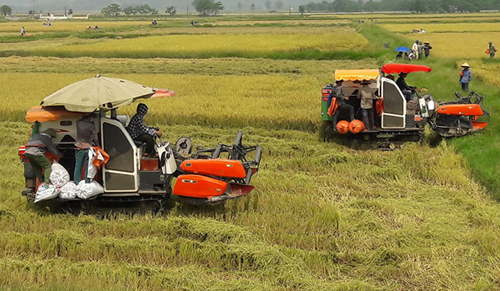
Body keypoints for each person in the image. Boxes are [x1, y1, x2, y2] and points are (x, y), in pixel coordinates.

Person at [74, 113, 100, 184]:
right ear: (90, 117)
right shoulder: (91, 125)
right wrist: (98, 146)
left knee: (78, 166)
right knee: (88, 167)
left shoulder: (78, 122)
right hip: (88, 148)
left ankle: (77, 182)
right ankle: (87, 181)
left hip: (79, 147)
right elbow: (95, 138)